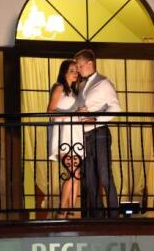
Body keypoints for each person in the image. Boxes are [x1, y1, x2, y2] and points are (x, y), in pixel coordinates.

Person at [73, 49, 121, 217]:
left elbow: (116, 107)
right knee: (90, 180)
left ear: (90, 63)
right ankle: (98, 218)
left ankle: (114, 216)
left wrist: (95, 119)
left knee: (104, 176)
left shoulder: (104, 83)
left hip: (100, 133)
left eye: (80, 66)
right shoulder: (81, 86)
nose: (78, 69)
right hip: (84, 136)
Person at [47, 59, 82, 218]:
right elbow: (50, 111)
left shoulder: (75, 91)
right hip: (63, 134)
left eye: (76, 71)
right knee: (71, 171)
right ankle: (62, 209)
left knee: (76, 173)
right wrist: (72, 114)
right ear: (64, 73)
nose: (75, 73)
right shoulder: (59, 87)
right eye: (72, 71)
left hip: (75, 133)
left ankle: (71, 210)